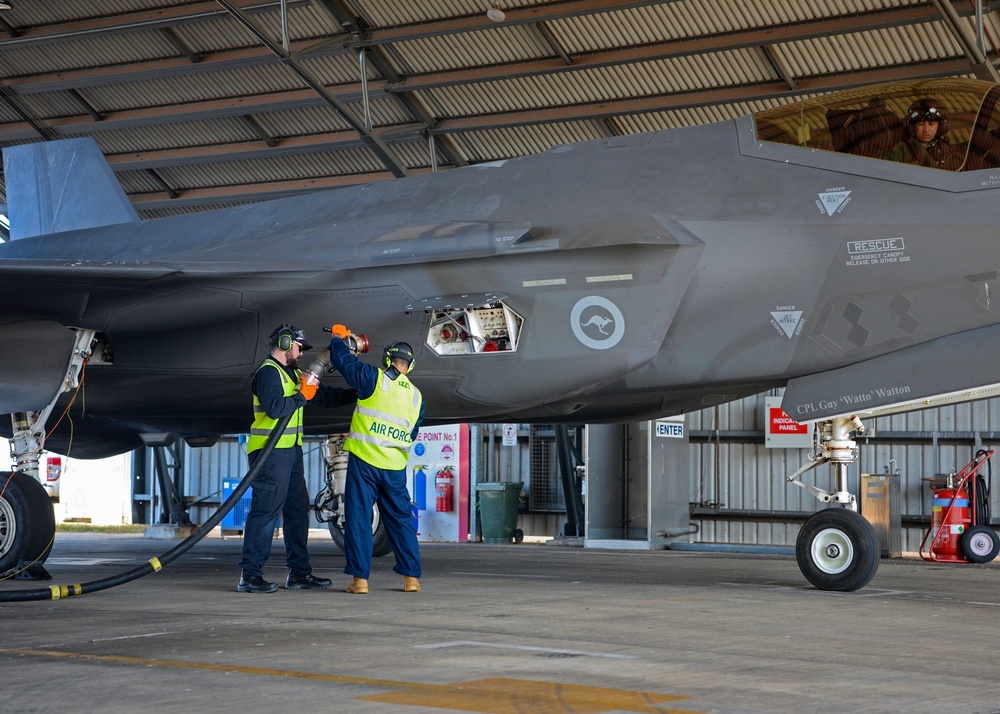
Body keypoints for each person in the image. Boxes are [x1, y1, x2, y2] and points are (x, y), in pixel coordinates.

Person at [237, 324, 357, 594]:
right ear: (285, 342)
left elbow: (323, 396)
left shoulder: (292, 373)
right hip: (269, 452)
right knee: (266, 512)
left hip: (290, 450)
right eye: (299, 347)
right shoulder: (268, 373)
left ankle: (299, 573)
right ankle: (250, 575)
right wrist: (302, 394)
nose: (301, 353)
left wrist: (358, 393)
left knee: (297, 512)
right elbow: (276, 408)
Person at [326, 324, 425, 594]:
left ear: (388, 360)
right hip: (394, 468)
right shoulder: (417, 398)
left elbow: (343, 361)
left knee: (358, 518)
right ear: (410, 366)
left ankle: (360, 581)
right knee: (401, 521)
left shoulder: (374, 379)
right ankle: (411, 579)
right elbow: (412, 431)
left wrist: (337, 338)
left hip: (365, 462)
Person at [883, 99, 964, 170]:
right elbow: (884, 170)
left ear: (940, 126)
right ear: (913, 127)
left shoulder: (947, 150)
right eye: (921, 124)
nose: (926, 130)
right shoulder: (902, 149)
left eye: (931, 124)